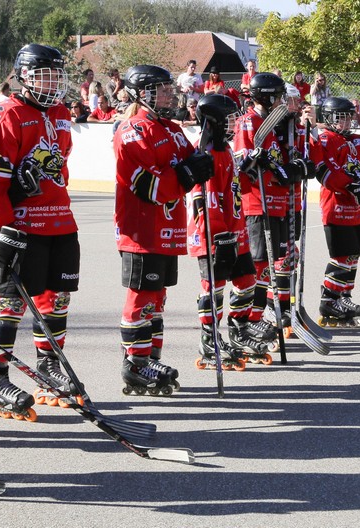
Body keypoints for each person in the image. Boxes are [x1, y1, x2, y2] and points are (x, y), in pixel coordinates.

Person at [0, 43, 79, 419]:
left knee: (57, 299)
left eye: (56, 75)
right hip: (22, 227)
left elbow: (60, 165)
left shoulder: (61, 112)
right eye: (44, 76)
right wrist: (2, 225)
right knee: (10, 303)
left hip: (60, 220)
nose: (53, 83)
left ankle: (48, 367)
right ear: (24, 78)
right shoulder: (4, 114)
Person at [113, 65, 212, 394]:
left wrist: (211, 140)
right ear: (142, 94)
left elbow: (194, 160)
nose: (169, 94)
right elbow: (149, 186)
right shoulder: (132, 130)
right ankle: (135, 363)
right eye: (162, 89)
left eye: (170, 88)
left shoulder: (171, 129)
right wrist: (187, 173)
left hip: (168, 228)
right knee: (142, 296)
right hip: (142, 230)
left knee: (157, 297)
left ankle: (150, 359)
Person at [186, 93, 253, 369]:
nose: (234, 124)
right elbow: (206, 199)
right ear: (213, 122)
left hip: (235, 230)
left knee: (247, 280)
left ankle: (239, 331)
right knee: (214, 287)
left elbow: (234, 190)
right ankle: (209, 339)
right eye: (229, 119)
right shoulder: (204, 153)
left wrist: (248, 168)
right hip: (214, 235)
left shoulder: (225, 150)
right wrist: (219, 235)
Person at [232, 72, 297, 352]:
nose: (281, 100)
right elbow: (240, 163)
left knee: (270, 266)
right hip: (257, 203)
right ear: (267, 97)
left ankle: (258, 317)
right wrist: (254, 159)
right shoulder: (248, 122)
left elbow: (277, 162)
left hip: (275, 202)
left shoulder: (270, 125)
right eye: (278, 96)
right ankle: (249, 320)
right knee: (259, 265)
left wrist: (288, 168)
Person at [309, 96, 360, 326]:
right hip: (336, 207)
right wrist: (351, 184)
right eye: (341, 118)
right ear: (329, 118)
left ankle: (344, 296)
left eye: (348, 118)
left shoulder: (354, 139)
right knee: (342, 256)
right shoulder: (327, 138)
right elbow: (327, 172)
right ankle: (329, 299)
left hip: (354, 208)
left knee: (354, 255)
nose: (346, 122)